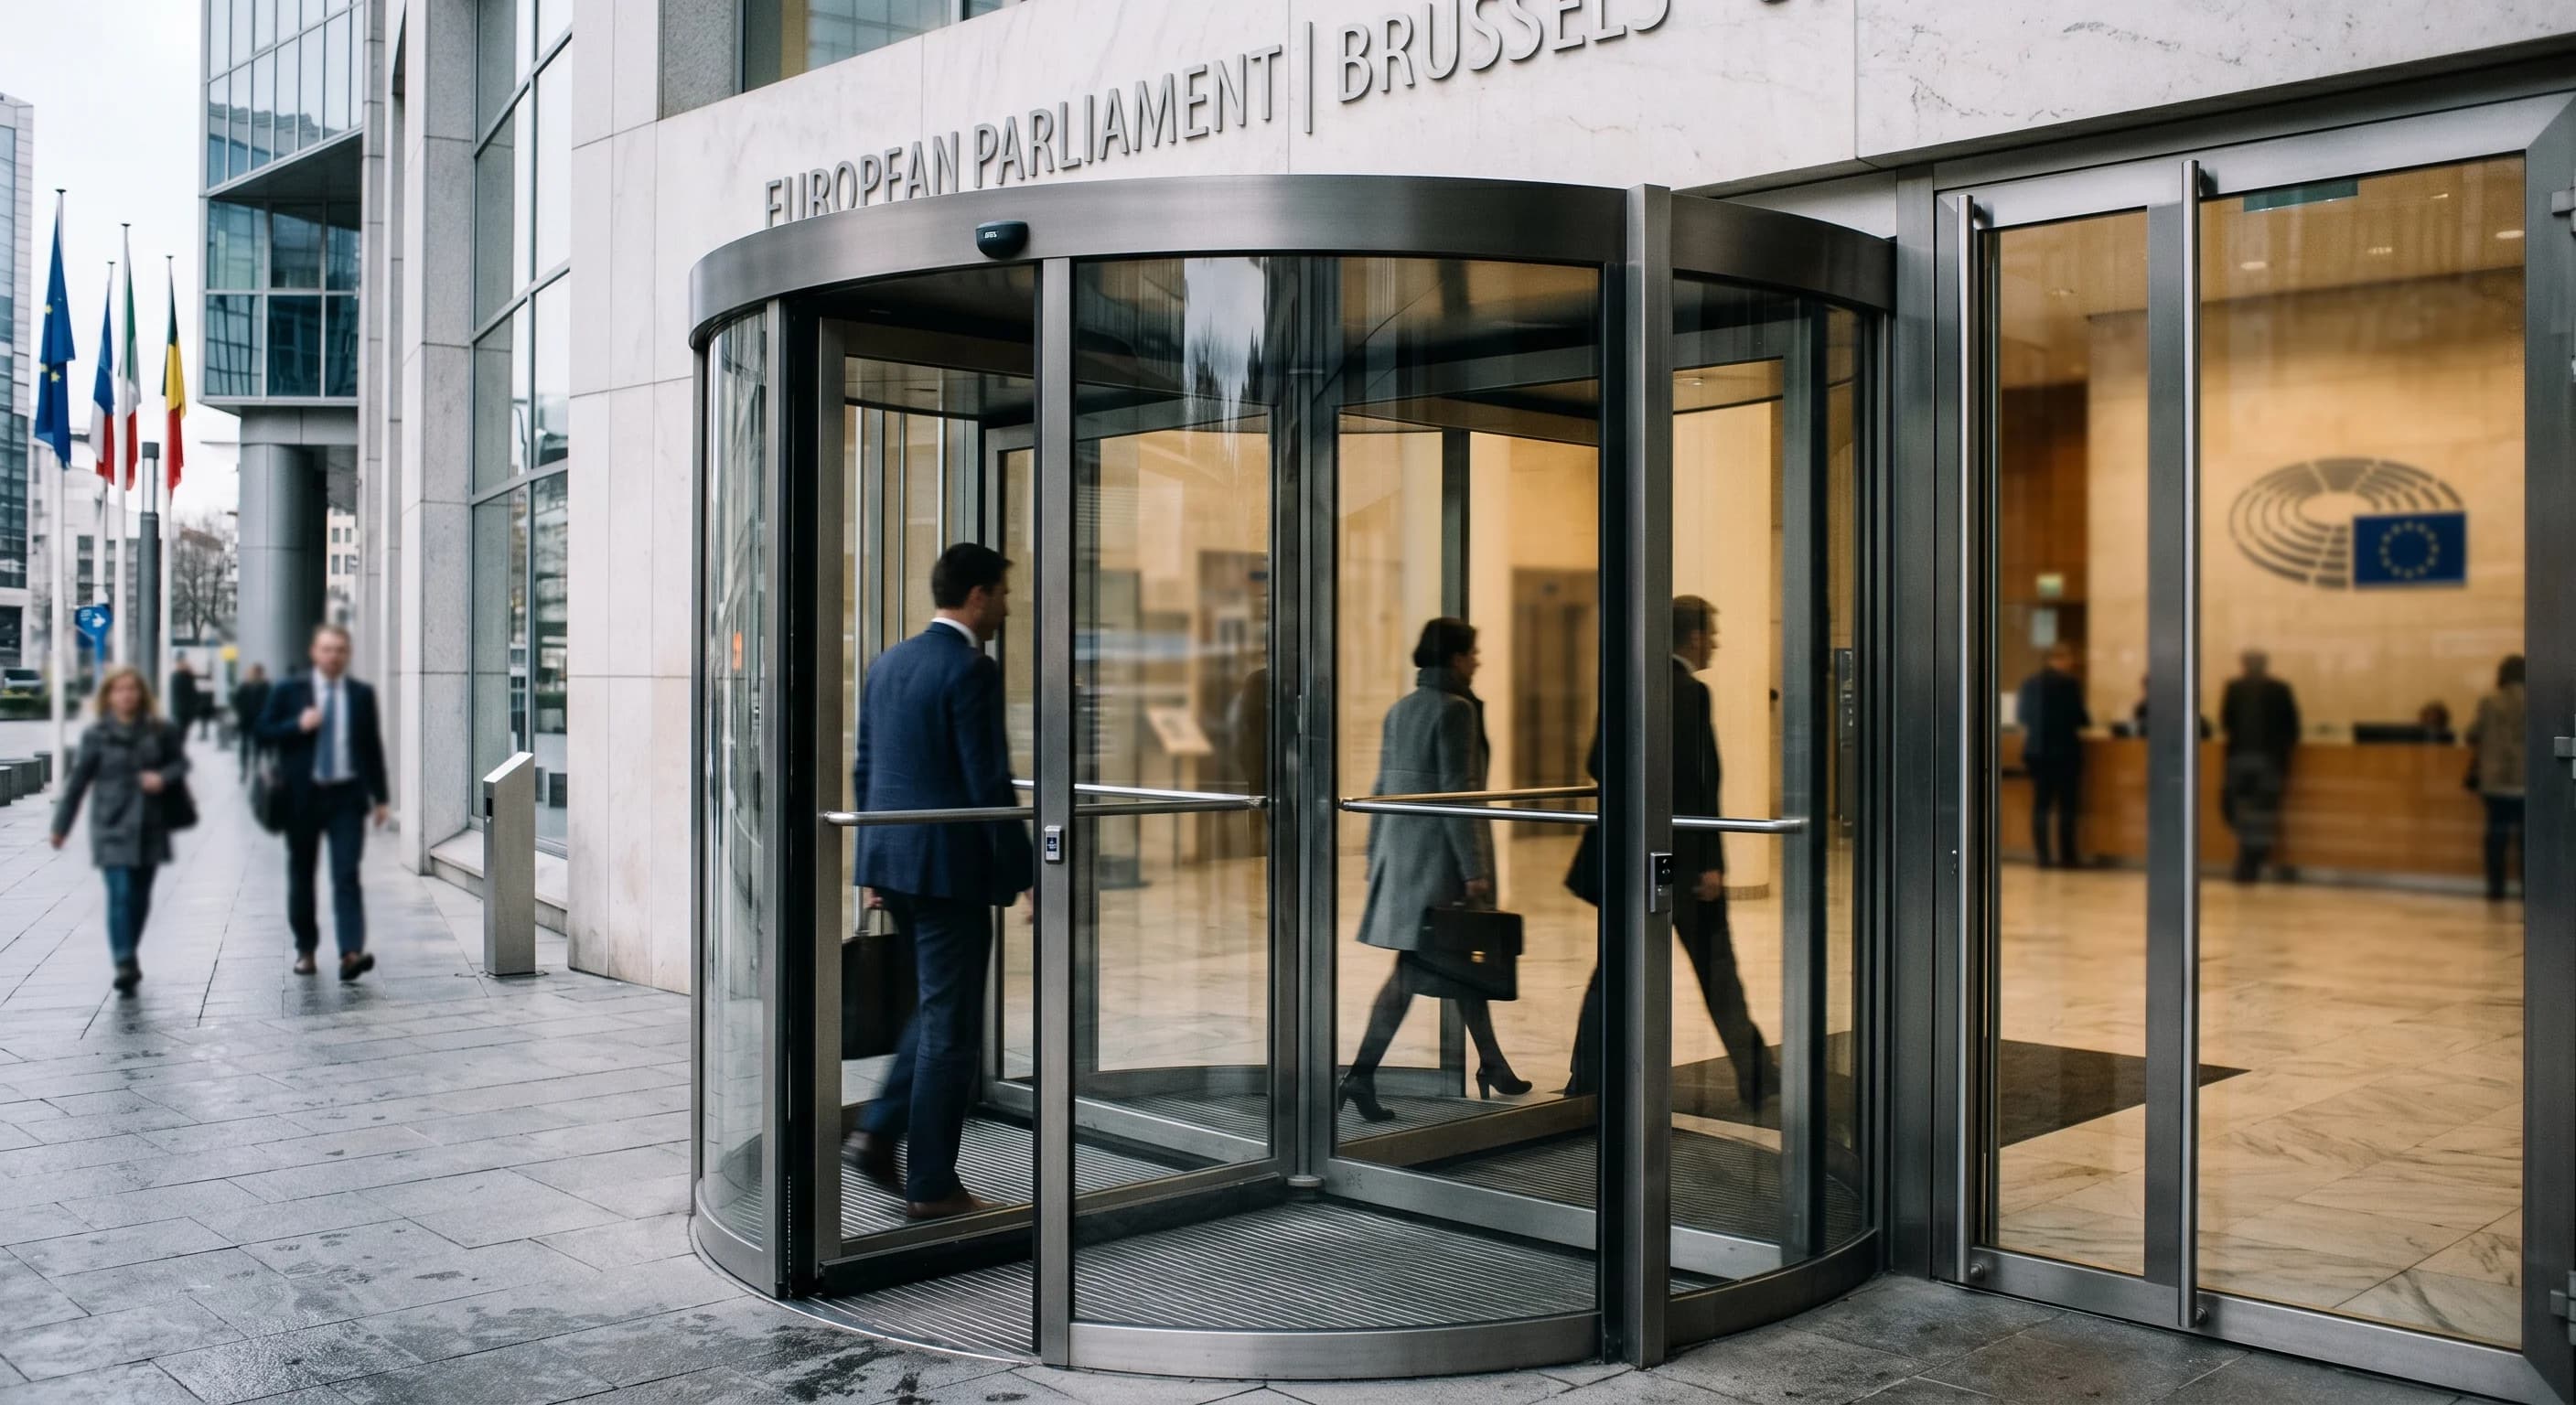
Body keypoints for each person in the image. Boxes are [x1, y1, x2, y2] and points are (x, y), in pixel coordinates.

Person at [842, 543, 1034, 1220]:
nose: (1009, 606)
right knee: (951, 1026)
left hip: (896, 865)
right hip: (950, 873)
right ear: (978, 596)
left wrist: (868, 869)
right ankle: (931, 1185)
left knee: (935, 1009)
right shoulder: (969, 669)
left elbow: (866, 770)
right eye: (1004, 594)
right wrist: (1024, 874)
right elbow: (987, 785)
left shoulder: (889, 663)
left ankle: (877, 1131)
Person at [1564, 597, 1771, 1108]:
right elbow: (1699, 786)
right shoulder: (1690, 693)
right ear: (1693, 637)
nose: (1716, 642)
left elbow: (1598, 761)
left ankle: (1584, 1080)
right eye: (1712, 632)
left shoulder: (1627, 683)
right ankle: (1757, 1076)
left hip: (1627, 856)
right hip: (1679, 861)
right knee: (1717, 969)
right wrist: (1709, 862)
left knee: (1611, 972)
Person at [1340, 617, 1527, 1123]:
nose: (1478, 661)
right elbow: (1457, 798)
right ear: (1455, 658)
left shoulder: (1401, 710)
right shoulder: (1455, 711)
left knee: (1460, 960)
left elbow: (1380, 786)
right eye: (1473, 653)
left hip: (1402, 858)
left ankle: (1493, 1063)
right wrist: (1474, 870)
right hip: (1439, 863)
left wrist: (1375, 855)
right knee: (1414, 971)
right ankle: (1360, 1073)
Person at [257, 625, 391, 980]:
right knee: (302, 876)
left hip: (346, 797)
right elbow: (262, 730)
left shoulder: (361, 694)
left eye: (340, 650)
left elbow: (371, 748)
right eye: (327, 649)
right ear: (315, 652)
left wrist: (381, 798)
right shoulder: (289, 691)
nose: (333, 656)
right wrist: (297, 725)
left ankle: (350, 953)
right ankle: (306, 949)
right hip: (301, 798)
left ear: (347, 655)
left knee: (346, 874)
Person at [49, 667, 192, 996]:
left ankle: (130, 950)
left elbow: (180, 763)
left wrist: (163, 778)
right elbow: (78, 783)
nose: (127, 695)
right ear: (109, 696)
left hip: (151, 824)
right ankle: (124, 960)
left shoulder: (160, 730)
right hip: (111, 825)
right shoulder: (96, 735)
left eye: (132, 689)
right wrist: (61, 826)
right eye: (119, 689)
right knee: (121, 891)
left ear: (142, 694)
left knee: (140, 896)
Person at [2218, 649, 2301, 883]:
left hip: (2239, 760)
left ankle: (2248, 864)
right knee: (2261, 814)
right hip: (2269, 761)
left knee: (2241, 812)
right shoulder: (2280, 690)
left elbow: (2227, 722)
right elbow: (2292, 729)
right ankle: (2252, 861)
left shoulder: (2234, 688)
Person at [2016, 643, 2090, 868]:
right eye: (2067, 658)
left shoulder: (2030, 683)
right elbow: (2081, 719)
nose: (2070, 663)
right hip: (2065, 752)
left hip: (2037, 752)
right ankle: (2068, 856)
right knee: (2067, 806)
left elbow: (2022, 716)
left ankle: (2043, 857)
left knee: (2041, 805)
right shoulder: (2069, 684)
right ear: (2059, 658)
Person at [2468, 654, 2527, 902]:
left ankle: (2496, 890)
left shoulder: (2489, 702)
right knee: (2527, 839)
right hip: (2528, 782)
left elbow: (2472, 734)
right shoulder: (2543, 701)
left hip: (2494, 782)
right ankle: (2529, 890)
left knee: (2496, 835)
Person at [232, 663, 273, 778]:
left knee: (259, 746)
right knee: (246, 747)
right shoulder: (245, 686)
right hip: (247, 721)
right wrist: (241, 713)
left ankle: (254, 769)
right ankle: (245, 770)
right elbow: (237, 702)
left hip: (258, 721)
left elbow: (269, 703)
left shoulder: (266, 686)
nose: (253, 675)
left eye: (254, 672)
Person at [168, 658, 205, 741]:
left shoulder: (182, 677)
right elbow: (191, 693)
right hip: (183, 710)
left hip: (184, 710)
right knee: (181, 731)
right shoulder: (181, 677)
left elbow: (192, 693)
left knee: (183, 731)